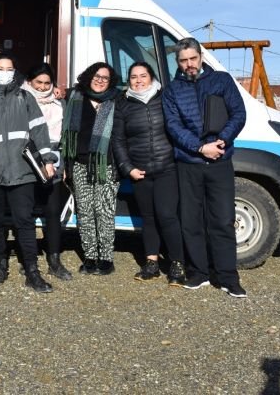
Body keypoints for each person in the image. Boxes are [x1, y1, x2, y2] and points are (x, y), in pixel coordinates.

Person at [0, 52, 57, 293]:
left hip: (21, 172)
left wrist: (47, 159)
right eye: (0, 68)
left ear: (14, 72)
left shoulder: (25, 97)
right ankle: (0, 264)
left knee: (24, 222)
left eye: (9, 68)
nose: (5, 72)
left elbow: (39, 131)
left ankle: (32, 271)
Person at [162, 37, 247, 298]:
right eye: (183, 60)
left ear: (201, 57)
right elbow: (173, 126)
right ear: (177, 62)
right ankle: (198, 273)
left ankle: (228, 277)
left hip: (220, 160)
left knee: (222, 220)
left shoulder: (221, 80)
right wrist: (200, 148)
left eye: (193, 59)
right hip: (189, 162)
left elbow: (238, 114)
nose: (189, 64)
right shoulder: (172, 90)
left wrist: (221, 141)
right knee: (191, 221)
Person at [112, 61, 185, 285]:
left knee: (168, 216)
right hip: (140, 171)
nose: (138, 80)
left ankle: (177, 263)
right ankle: (151, 263)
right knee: (149, 218)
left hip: (166, 168)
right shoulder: (122, 104)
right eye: (134, 77)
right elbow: (118, 140)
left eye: (143, 75)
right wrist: (128, 168)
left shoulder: (165, 98)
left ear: (151, 77)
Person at [61, 62, 120, 276]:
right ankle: (90, 256)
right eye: (97, 75)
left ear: (111, 81)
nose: (100, 80)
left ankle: (106, 258)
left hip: (106, 165)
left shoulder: (117, 100)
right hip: (79, 164)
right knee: (85, 212)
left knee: (104, 212)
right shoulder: (75, 96)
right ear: (89, 76)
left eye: (105, 77)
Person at [21, 62, 72, 281]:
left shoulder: (60, 102)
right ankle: (28, 259)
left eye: (47, 83)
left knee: (53, 213)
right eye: (38, 83)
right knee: (27, 214)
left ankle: (54, 260)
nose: (42, 87)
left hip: (55, 160)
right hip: (28, 160)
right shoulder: (20, 100)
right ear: (30, 82)